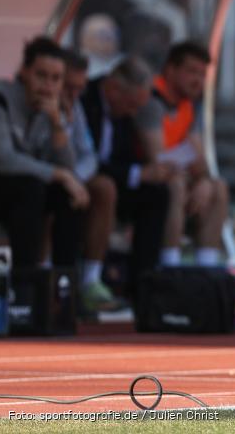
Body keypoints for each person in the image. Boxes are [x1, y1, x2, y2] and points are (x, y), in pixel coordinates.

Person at [80, 57, 172, 302]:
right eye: (131, 104)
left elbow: (122, 156)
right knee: (105, 188)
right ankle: (90, 279)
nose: (133, 113)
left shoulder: (124, 114)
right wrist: (136, 173)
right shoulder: (84, 99)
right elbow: (87, 157)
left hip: (115, 180)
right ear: (113, 88)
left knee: (157, 192)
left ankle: (144, 283)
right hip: (83, 179)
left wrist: (146, 173)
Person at [0, 37, 88, 268]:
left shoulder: (54, 108)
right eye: (41, 75)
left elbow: (70, 169)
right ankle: (25, 284)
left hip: (25, 190)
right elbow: (4, 160)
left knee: (70, 196)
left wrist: (57, 125)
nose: (47, 86)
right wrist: (60, 175)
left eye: (56, 79)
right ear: (24, 72)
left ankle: (63, 284)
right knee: (31, 188)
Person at [137, 42, 227, 268]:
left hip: (176, 174)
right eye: (191, 71)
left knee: (217, 188)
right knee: (175, 185)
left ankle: (206, 268)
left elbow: (198, 157)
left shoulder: (188, 106)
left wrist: (203, 180)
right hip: (141, 180)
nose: (198, 80)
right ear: (170, 70)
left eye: (202, 74)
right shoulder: (150, 101)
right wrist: (191, 175)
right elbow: (157, 158)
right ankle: (170, 267)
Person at [60, 51, 125, 313]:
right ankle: (47, 281)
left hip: (70, 177)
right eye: (68, 86)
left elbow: (88, 154)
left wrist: (75, 178)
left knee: (103, 188)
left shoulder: (75, 106)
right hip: (41, 179)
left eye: (79, 88)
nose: (75, 93)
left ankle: (90, 280)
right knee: (40, 194)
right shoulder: (38, 104)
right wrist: (57, 124)